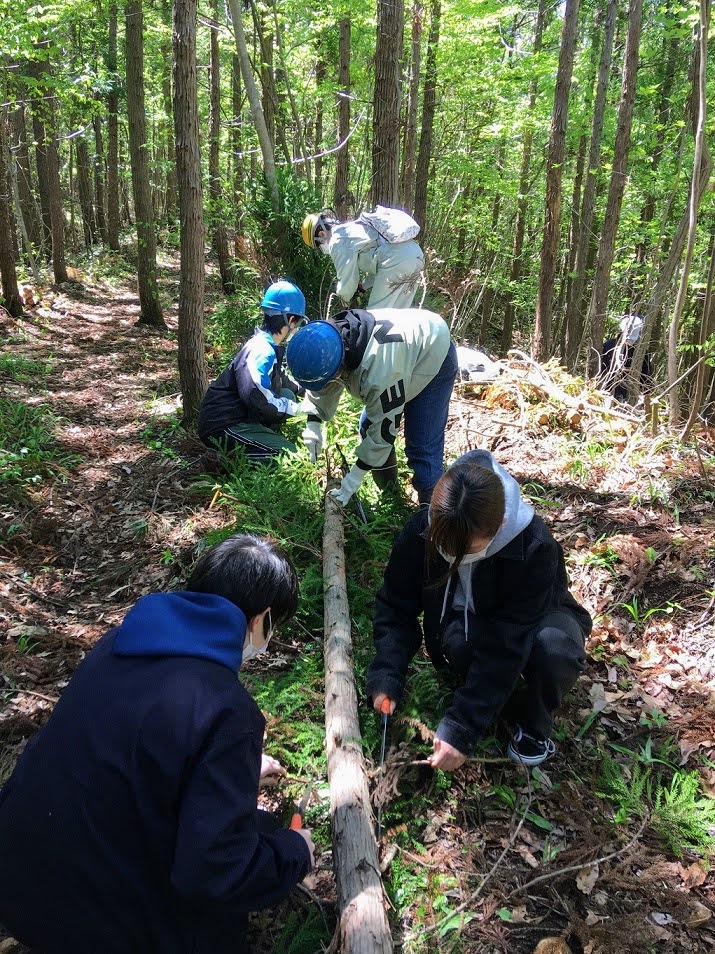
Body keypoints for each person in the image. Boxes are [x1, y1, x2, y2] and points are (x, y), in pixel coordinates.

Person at [0, 534, 314, 954]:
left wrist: (234, 775)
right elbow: (215, 874)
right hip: (98, 926)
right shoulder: (227, 711)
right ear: (261, 620)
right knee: (260, 844)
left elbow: (130, 755)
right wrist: (295, 852)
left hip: (17, 879)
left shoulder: (113, 645)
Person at [365, 450, 592, 770]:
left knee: (555, 649)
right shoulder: (422, 529)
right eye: (444, 547)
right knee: (460, 644)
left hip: (539, 621)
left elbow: (507, 640)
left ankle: (535, 723)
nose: (453, 557)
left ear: (499, 526)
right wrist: (387, 675)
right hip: (473, 623)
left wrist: (462, 727)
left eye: (466, 550)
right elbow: (396, 606)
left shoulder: (533, 545)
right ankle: (499, 699)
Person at [286, 307, 458, 505]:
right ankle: (392, 498)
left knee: (422, 448)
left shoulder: (381, 374)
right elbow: (324, 379)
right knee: (366, 426)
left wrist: (354, 478)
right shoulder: (331, 337)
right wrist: (313, 422)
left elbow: (383, 430)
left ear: (340, 367)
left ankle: (434, 520)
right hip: (407, 350)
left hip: (434, 350)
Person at [198, 280, 307, 462]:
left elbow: (282, 381)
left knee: (287, 394)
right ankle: (223, 459)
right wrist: (298, 409)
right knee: (289, 455)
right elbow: (257, 397)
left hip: (237, 416)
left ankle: (260, 439)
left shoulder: (266, 345)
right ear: (290, 320)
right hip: (223, 424)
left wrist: (310, 390)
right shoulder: (261, 350)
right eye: (298, 321)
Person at [302, 207, 425, 309]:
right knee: (399, 316)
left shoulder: (337, 240)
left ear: (321, 234)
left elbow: (347, 281)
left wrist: (344, 303)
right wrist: (363, 286)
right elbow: (380, 260)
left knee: (378, 319)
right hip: (415, 254)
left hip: (396, 259)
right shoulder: (352, 229)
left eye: (319, 245)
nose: (322, 248)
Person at [601, 313, 653, 402]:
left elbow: (646, 375)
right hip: (608, 392)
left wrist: (646, 394)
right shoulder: (608, 346)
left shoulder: (641, 352)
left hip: (631, 395)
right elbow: (601, 369)